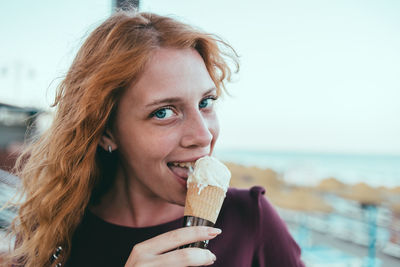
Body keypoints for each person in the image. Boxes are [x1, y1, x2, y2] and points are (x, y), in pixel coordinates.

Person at [6, 10, 304, 267]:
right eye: (164, 112)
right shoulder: (50, 235)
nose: (203, 135)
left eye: (206, 102)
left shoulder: (251, 219)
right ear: (106, 130)